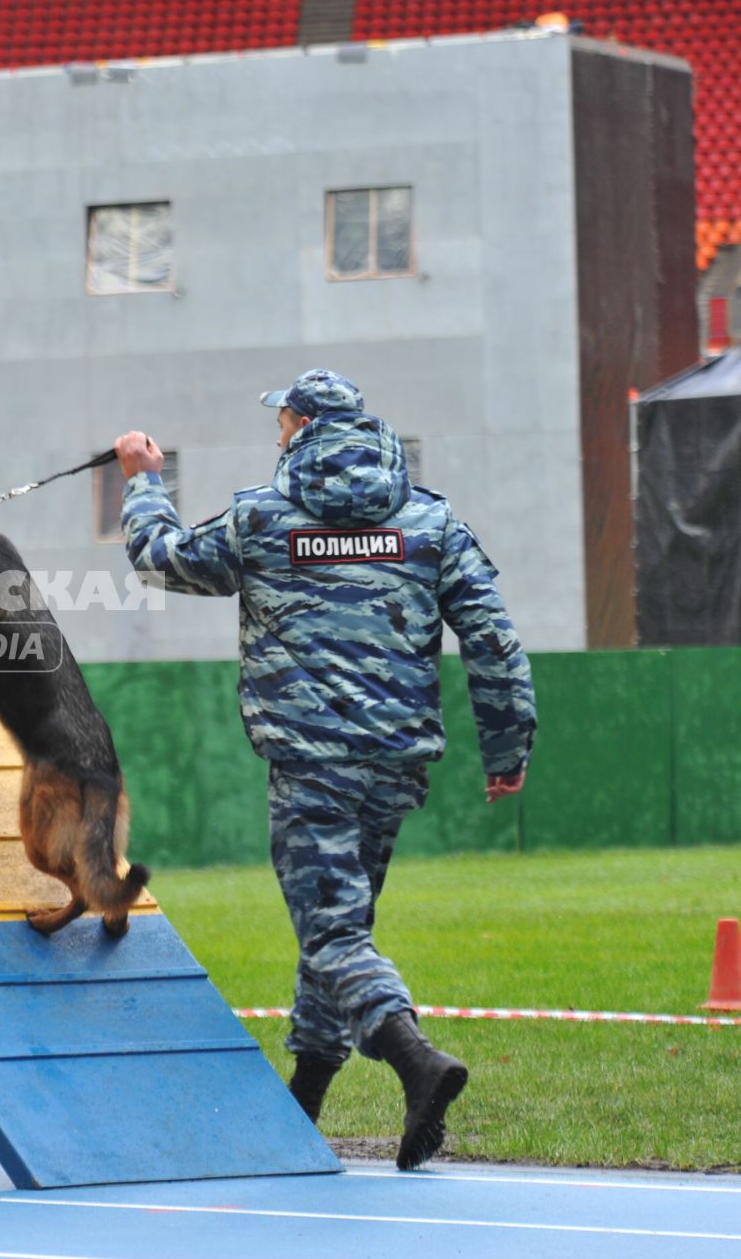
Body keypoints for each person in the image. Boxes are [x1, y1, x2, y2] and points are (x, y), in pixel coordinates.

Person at [116, 369, 537, 1172]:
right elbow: (492, 638)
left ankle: (418, 1061)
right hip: (394, 762)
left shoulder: (263, 519)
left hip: (310, 764)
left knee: (333, 930)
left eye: (281, 418)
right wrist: (507, 745)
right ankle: (301, 1108)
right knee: (336, 930)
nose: (276, 429)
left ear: (302, 422)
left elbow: (158, 558)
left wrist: (144, 479)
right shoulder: (430, 521)